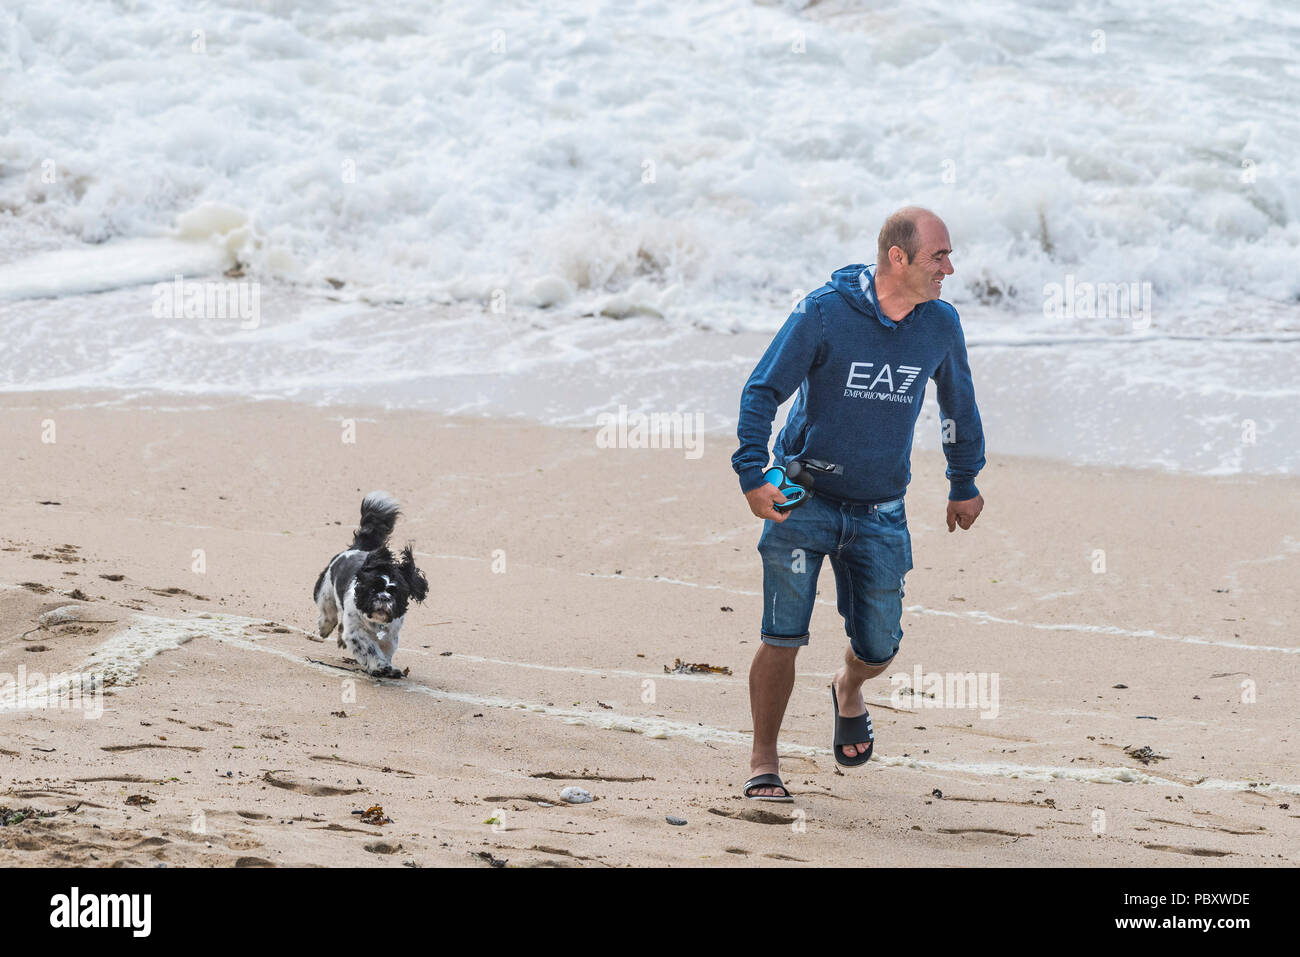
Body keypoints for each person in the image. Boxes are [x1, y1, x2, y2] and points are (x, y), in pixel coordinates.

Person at [732, 207, 986, 800]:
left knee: (879, 644)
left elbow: (958, 406)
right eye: (939, 256)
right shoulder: (824, 312)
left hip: (879, 511)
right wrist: (751, 473)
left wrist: (964, 478)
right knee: (782, 635)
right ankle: (763, 761)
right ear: (899, 258)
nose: (950, 267)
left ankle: (849, 686)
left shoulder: (940, 324)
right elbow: (762, 389)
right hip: (803, 500)